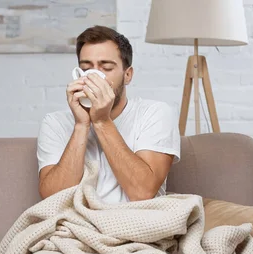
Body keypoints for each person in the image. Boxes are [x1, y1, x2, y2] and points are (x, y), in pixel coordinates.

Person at [37, 25, 181, 203]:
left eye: (106, 67)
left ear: (127, 75)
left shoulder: (155, 114)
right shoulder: (55, 122)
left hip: (135, 224)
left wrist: (101, 122)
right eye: (86, 67)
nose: (94, 76)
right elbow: (52, 200)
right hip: (77, 224)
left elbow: (142, 192)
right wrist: (81, 125)